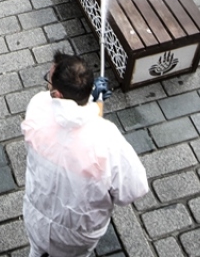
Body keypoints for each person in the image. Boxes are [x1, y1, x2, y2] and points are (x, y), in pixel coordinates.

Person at [22, 52, 149, 257]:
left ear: (58, 95)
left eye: (49, 80)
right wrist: (95, 102)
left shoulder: (37, 106)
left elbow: (66, 120)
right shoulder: (107, 138)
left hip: (36, 216)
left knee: (36, 250)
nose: (47, 85)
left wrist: (92, 103)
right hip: (77, 235)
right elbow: (133, 190)